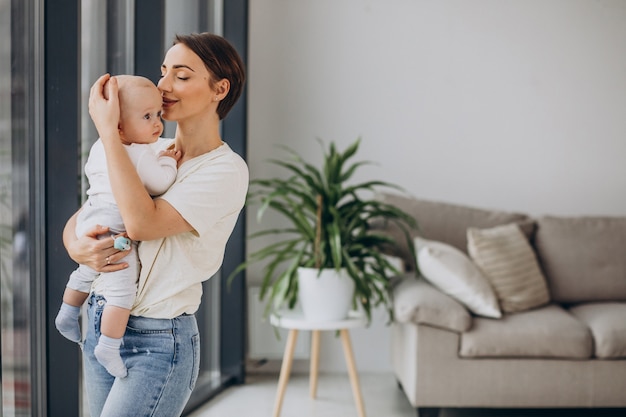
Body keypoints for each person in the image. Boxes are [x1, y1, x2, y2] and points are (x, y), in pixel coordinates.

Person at [63, 32, 248, 417]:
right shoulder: (148, 148)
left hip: (158, 339)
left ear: (220, 89)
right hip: (101, 319)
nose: (163, 85)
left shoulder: (224, 169)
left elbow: (141, 223)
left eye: (181, 75)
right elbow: (94, 209)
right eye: (164, 72)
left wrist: (109, 133)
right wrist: (76, 246)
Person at [55, 75, 180, 379]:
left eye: (158, 115)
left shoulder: (101, 147)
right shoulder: (138, 153)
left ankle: (68, 312)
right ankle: (109, 346)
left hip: (90, 219)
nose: (157, 124)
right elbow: (161, 181)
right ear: (119, 126)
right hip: (115, 229)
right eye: (147, 116)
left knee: (87, 270)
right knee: (122, 291)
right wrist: (169, 162)